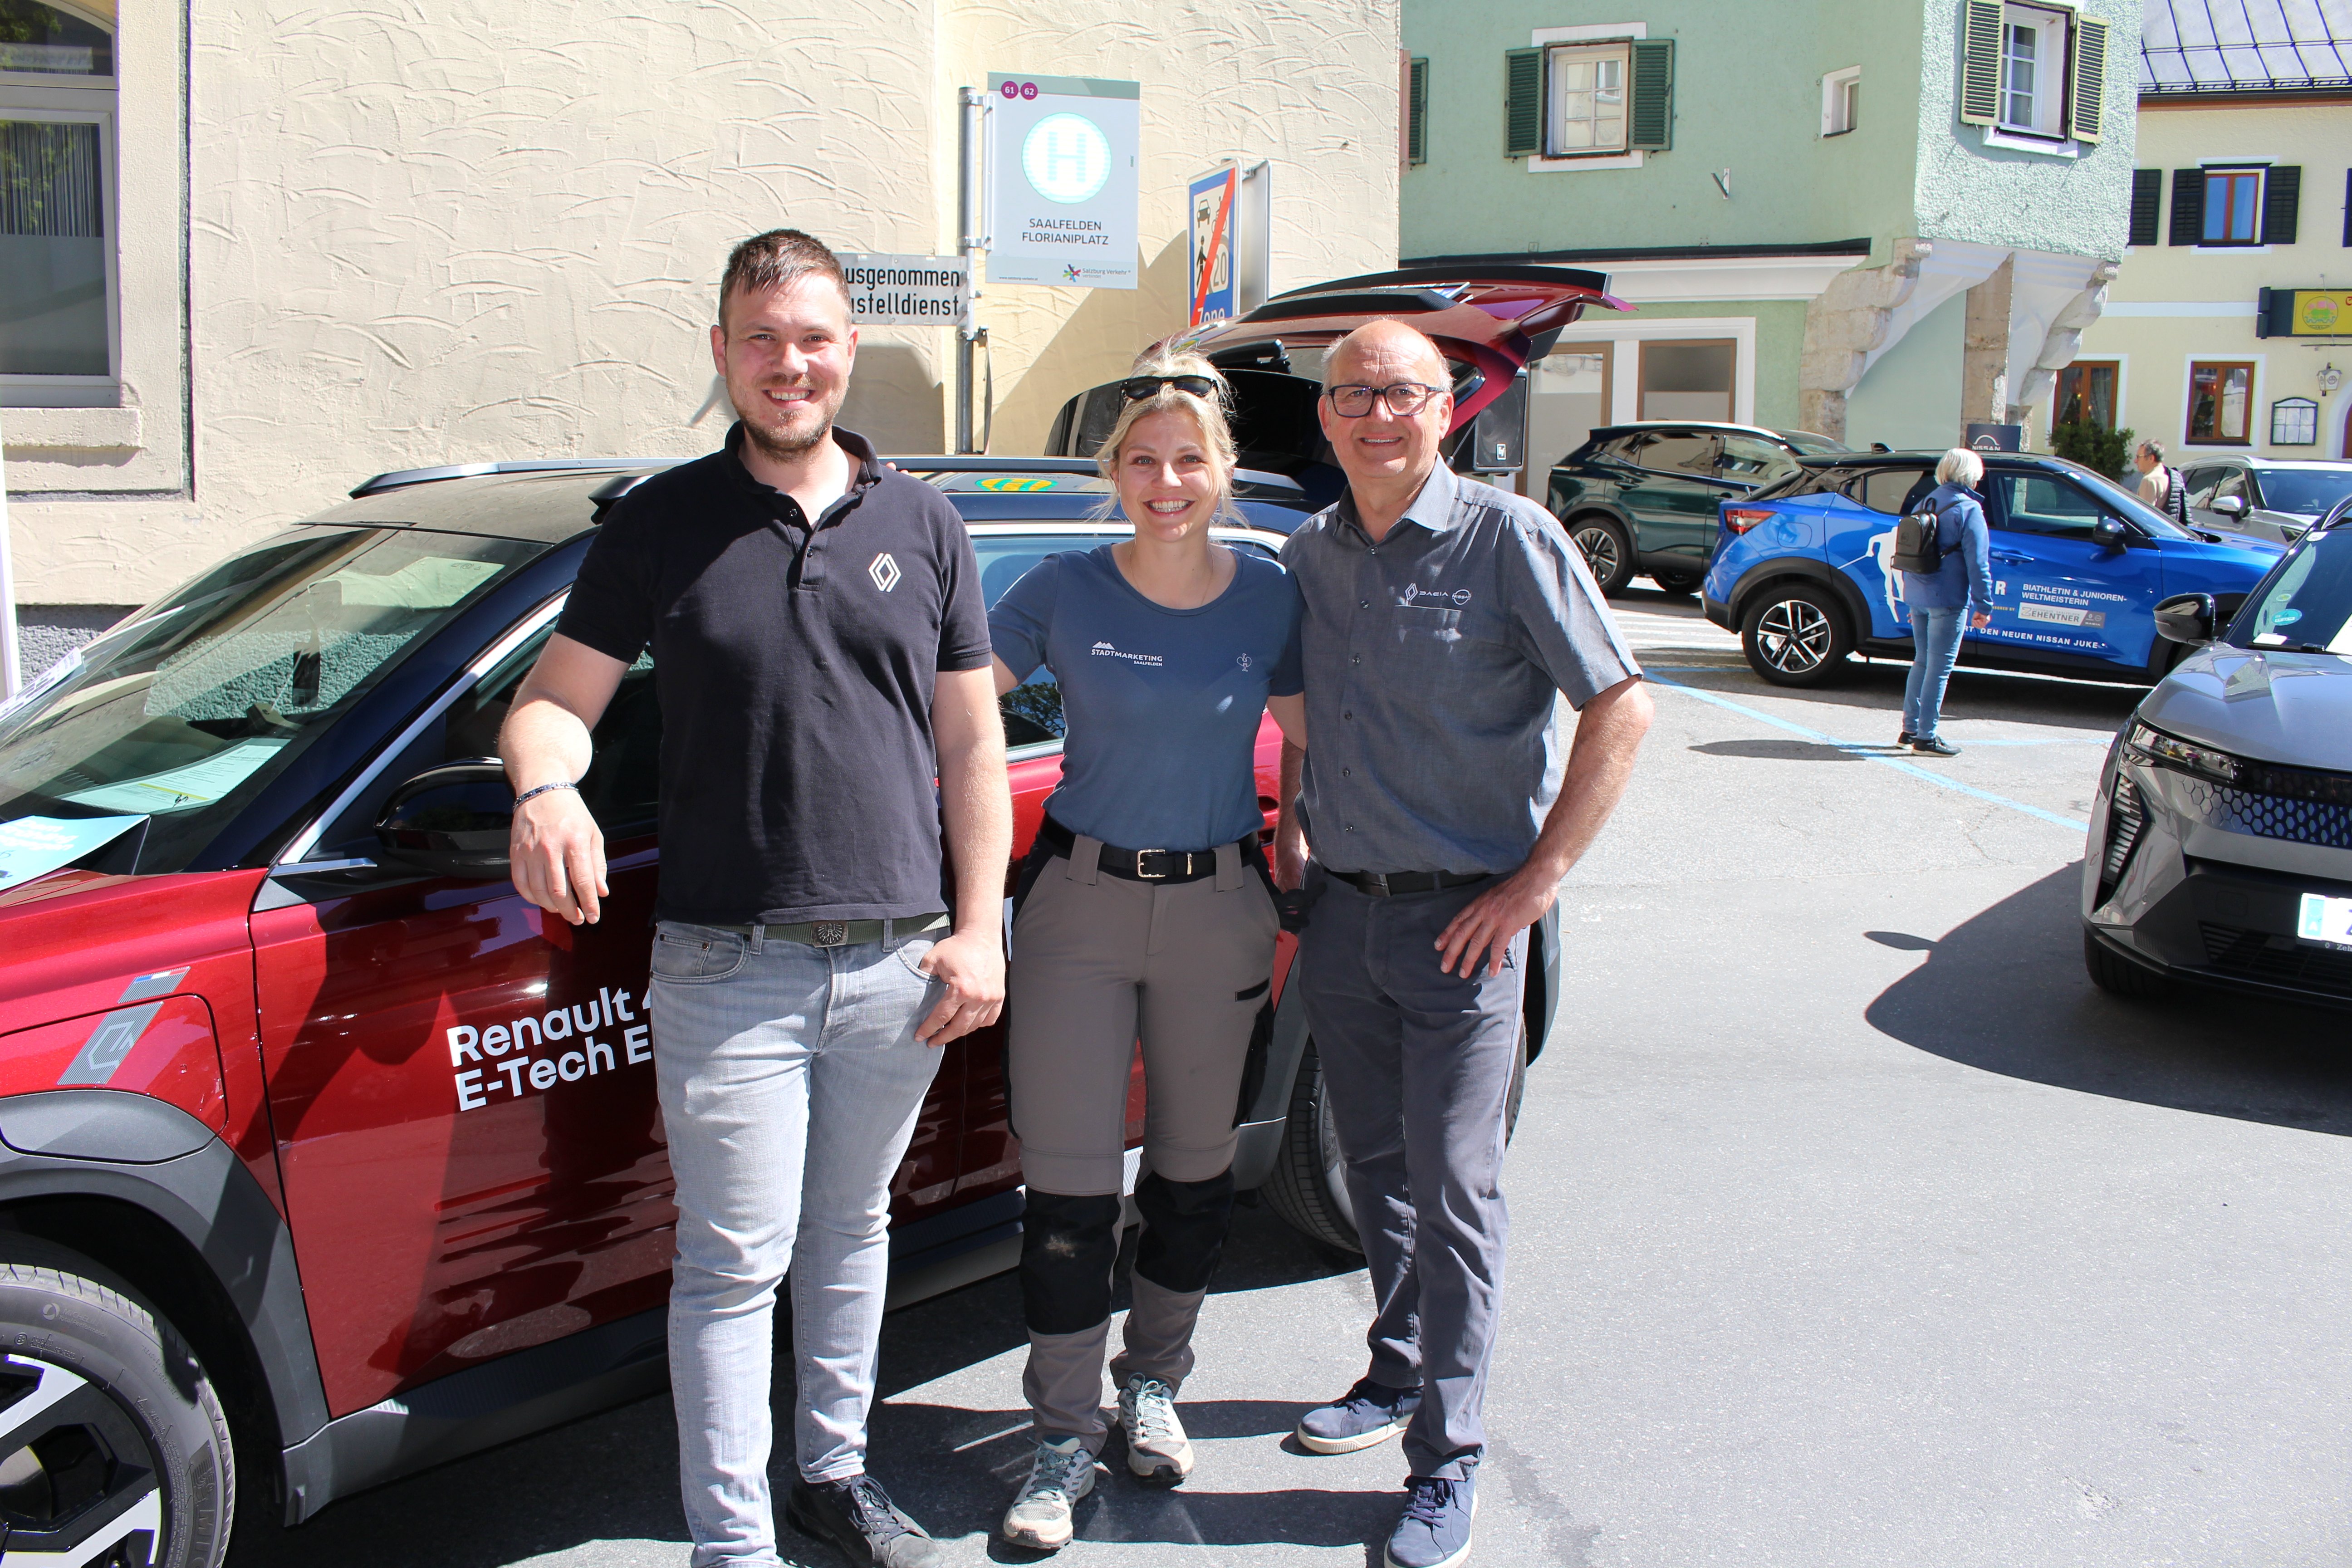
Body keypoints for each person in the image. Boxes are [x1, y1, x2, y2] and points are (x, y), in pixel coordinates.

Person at [500, 229, 1009, 1568]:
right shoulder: (662, 524)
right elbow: (554, 706)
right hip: (733, 968)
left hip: (900, 963)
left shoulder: (924, 522)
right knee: (735, 1265)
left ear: (849, 349)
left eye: (816, 336)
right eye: (763, 338)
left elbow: (971, 750)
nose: (792, 363)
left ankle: (833, 1479)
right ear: (724, 351)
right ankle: (736, 1546)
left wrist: (977, 930)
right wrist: (550, 792)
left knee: (853, 1233)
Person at [1273, 320, 1651, 1568]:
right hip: (1346, 918)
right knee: (1373, 1176)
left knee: (1453, 1186)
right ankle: (1393, 1374)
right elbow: (1294, 710)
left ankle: (1452, 1458)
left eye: (1400, 393)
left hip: (1465, 925)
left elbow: (1622, 704)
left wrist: (1538, 883)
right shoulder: (1310, 555)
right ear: (1325, 419)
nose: (1374, 415)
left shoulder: (1509, 540)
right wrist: (1298, 851)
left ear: (1447, 410)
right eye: (1350, 396)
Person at [985, 352, 1308, 1551]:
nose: (1165, 480)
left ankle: (1153, 1383)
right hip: (1080, 906)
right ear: (1112, 473)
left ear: (1222, 472)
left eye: (1189, 459)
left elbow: (1319, 740)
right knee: (1066, 1193)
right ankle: (1060, 1436)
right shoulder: (1063, 585)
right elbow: (948, 701)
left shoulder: (1271, 594)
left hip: (1221, 903)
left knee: (1191, 1175)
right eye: (1141, 459)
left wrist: (1318, 866)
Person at [1896, 447, 1994, 757]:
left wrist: (1911, 597)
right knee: (1939, 668)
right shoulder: (1969, 510)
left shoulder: (1926, 501)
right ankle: (1926, 738)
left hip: (1918, 593)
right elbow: (1977, 563)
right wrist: (1985, 604)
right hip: (1949, 597)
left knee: (1922, 662)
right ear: (1972, 476)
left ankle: (1909, 729)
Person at [2135, 438, 2189, 524]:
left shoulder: (2149, 480)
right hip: (2171, 530)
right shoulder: (2174, 476)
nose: (2135, 461)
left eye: (2139, 457)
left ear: (2151, 458)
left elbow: (2145, 517)